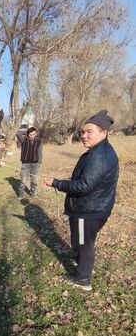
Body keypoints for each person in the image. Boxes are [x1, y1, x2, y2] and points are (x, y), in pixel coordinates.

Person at [44, 110, 119, 291]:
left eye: (89, 132)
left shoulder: (99, 155)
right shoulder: (98, 151)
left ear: (104, 132)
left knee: (83, 244)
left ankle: (82, 278)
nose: (84, 136)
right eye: (82, 132)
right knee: (85, 242)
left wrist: (57, 183)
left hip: (88, 210)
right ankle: (85, 267)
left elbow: (85, 186)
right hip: (94, 207)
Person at [16, 125, 43, 198]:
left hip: (35, 164)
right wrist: (28, 130)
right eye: (30, 134)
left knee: (34, 181)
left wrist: (39, 162)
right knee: (23, 181)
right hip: (25, 164)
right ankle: (21, 195)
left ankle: (32, 194)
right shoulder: (23, 140)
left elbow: (40, 152)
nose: (32, 136)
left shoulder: (38, 141)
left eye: (34, 134)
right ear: (28, 134)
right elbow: (18, 134)